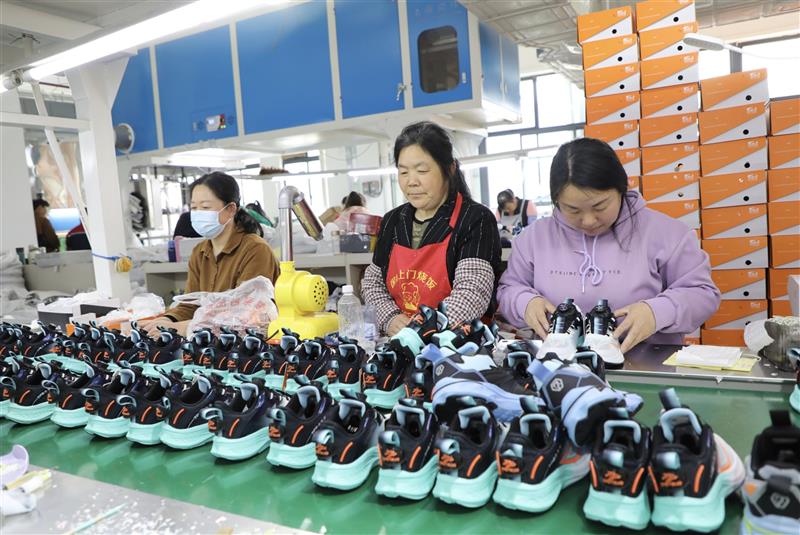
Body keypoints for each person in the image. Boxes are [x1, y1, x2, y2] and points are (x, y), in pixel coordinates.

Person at [497, 137, 720, 352]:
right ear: (556, 201)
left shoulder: (666, 233)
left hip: (648, 364)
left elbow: (702, 294)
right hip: (558, 366)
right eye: (572, 210)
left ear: (622, 188)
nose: (588, 221)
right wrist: (525, 303)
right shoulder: (534, 238)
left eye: (600, 206)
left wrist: (658, 311)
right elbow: (509, 288)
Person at [361, 121, 502, 336]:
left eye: (422, 170)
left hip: (457, 342)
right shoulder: (392, 221)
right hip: (400, 339)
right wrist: (390, 318)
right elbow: (372, 283)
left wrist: (422, 329)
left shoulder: (475, 219)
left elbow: (471, 293)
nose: (411, 182)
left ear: (449, 169)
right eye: (403, 172)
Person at [140, 172, 280, 337]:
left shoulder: (255, 250)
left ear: (230, 209)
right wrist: (166, 321)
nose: (198, 213)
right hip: (206, 340)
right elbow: (190, 304)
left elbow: (247, 314)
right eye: (194, 208)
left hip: (248, 343)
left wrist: (183, 327)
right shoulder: (200, 252)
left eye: (205, 207)